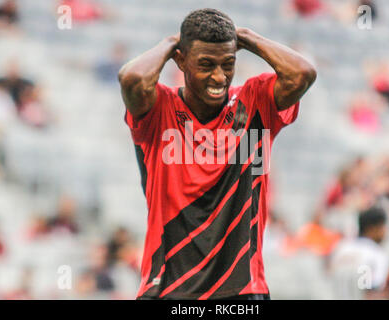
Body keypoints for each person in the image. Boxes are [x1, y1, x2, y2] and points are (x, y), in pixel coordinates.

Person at [118, 8, 316, 300]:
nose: (219, 76)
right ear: (182, 60)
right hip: (168, 289)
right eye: (206, 64)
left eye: (228, 64)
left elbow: (302, 74)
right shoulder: (159, 109)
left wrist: (247, 37)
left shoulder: (255, 101)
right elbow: (132, 79)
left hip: (241, 291)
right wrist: (170, 43)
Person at [329, 207, 389, 299]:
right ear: (372, 228)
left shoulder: (341, 248)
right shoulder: (377, 254)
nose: (385, 231)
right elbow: (373, 292)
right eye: (383, 227)